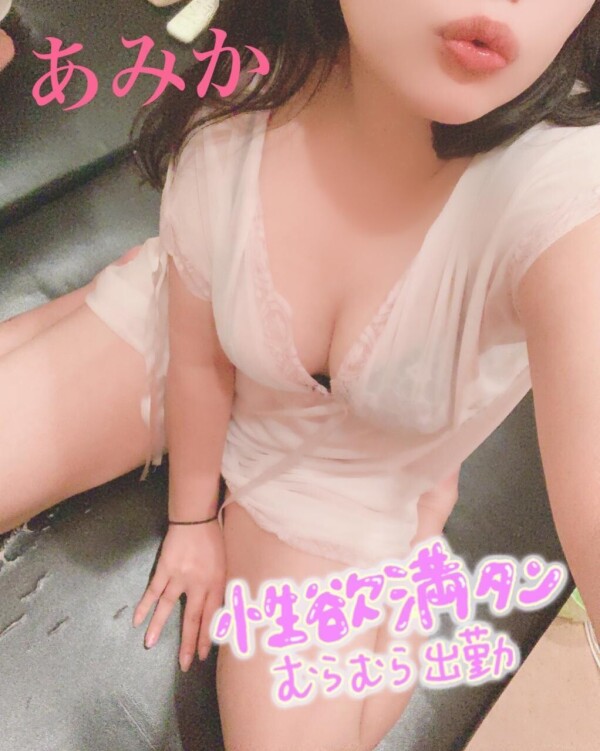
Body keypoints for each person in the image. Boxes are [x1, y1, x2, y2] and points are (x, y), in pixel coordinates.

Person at [2, 1, 600, 750]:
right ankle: (125, 285)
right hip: (195, 325)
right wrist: (193, 519)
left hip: (351, 471)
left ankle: (420, 524)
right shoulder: (240, 109)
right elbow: (197, 354)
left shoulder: (567, 187)